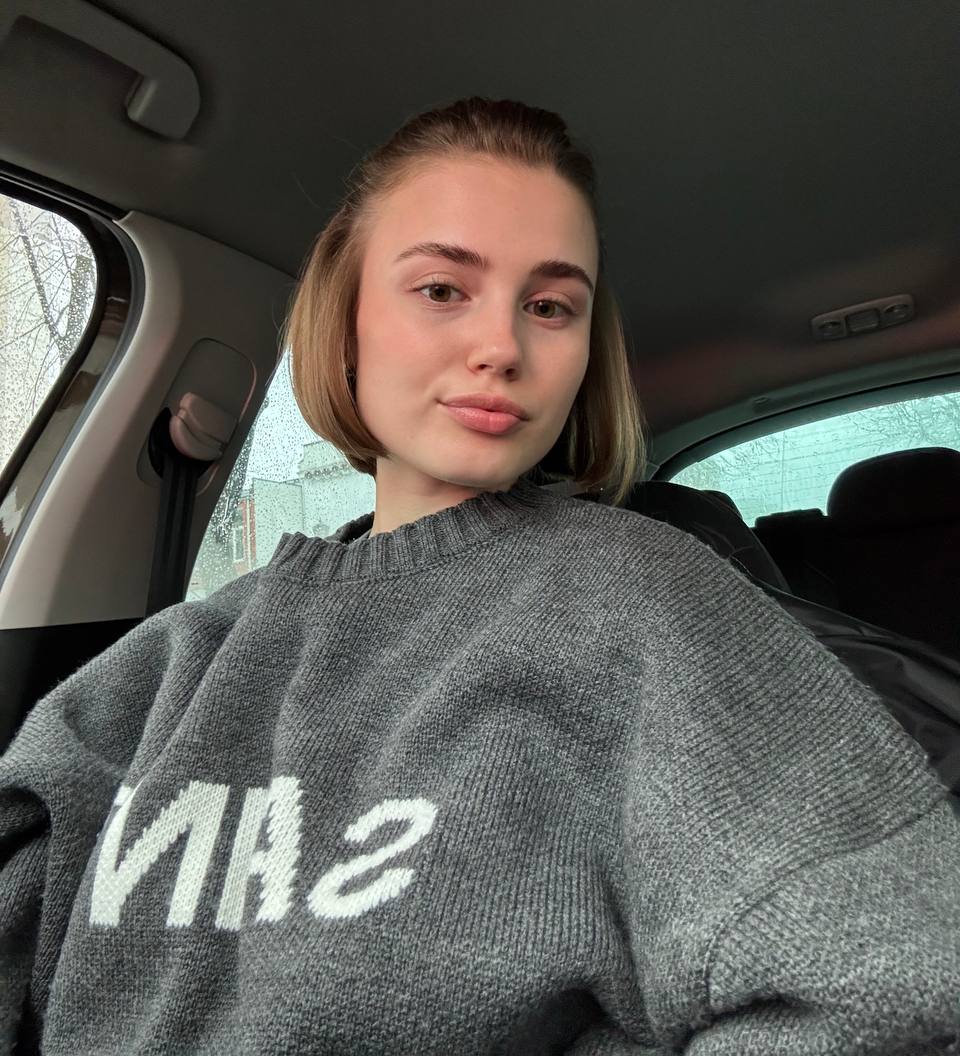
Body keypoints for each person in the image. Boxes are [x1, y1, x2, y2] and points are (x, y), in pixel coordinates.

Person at [1, 96, 958, 1055]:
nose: (502, 346)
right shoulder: (170, 662)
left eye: (550, 306)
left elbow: (898, 978)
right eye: (441, 289)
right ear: (347, 318)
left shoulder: (646, 602)